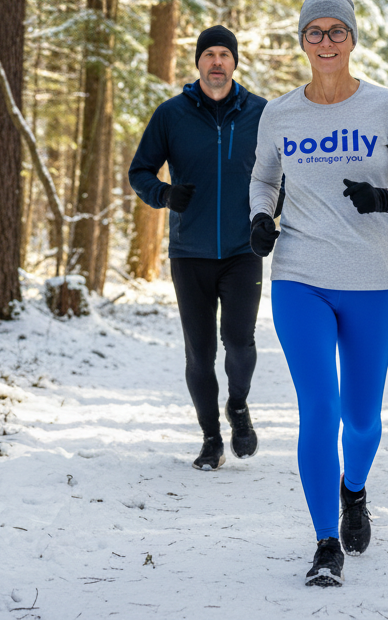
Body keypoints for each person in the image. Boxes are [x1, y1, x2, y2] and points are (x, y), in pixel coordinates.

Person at [248, 0, 388, 587]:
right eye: (314, 32)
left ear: (352, 39)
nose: (325, 42)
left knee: (361, 419)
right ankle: (326, 540)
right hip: (299, 276)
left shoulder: (385, 107)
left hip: (372, 280)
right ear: (301, 41)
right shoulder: (279, 113)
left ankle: (354, 490)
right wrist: (259, 217)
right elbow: (263, 178)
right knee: (319, 410)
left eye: (336, 31)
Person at [129, 25, 271, 472]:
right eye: (208, 54)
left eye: (223, 55)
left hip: (242, 248)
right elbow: (140, 172)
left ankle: (239, 406)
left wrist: (270, 214)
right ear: (198, 63)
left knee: (240, 342)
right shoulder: (171, 115)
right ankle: (211, 439)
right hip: (189, 251)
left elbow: (281, 173)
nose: (216, 62)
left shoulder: (261, 113)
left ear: (234, 62)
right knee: (200, 350)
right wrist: (166, 195)